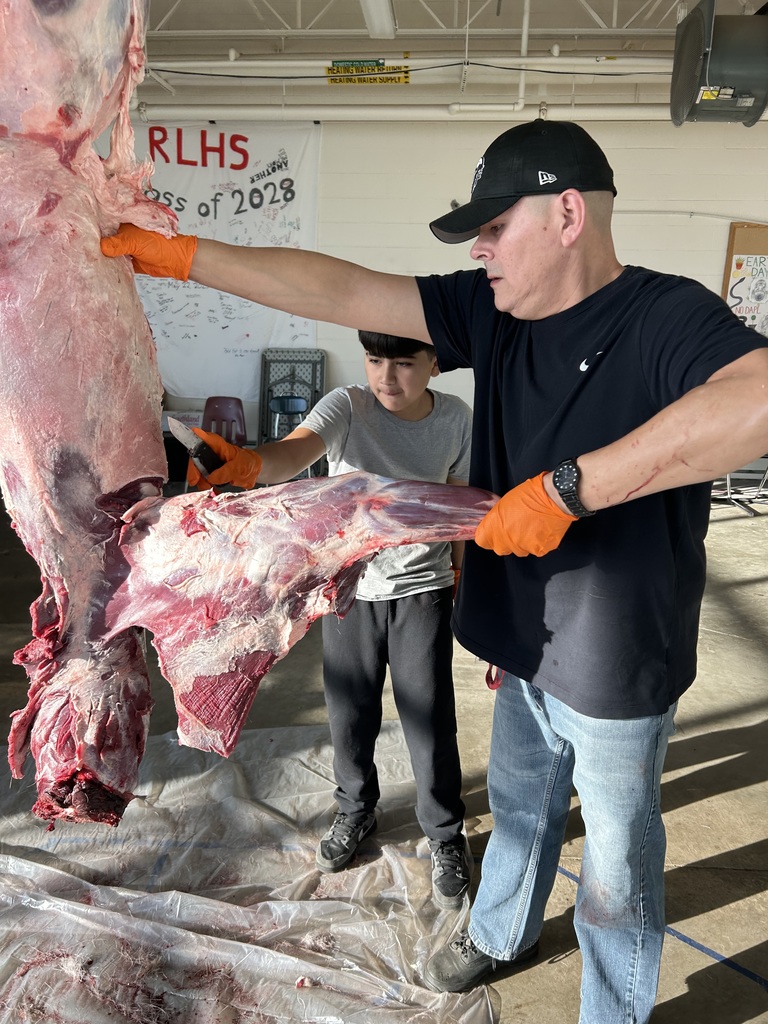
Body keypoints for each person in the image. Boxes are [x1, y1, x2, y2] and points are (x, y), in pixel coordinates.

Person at [101, 118, 768, 1024]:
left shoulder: (664, 314)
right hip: (516, 635)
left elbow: (760, 403)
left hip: (617, 656)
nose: (481, 248)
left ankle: (615, 1010)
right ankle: (499, 932)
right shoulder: (489, 312)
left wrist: (573, 489)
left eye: (496, 227)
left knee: (616, 853)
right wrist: (184, 257)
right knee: (521, 805)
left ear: (568, 213)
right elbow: (341, 287)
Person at [188, 329, 474, 909]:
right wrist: (249, 465)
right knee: (350, 712)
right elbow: (294, 451)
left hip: (424, 588)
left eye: (403, 364)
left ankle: (445, 835)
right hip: (350, 591)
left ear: (435, 364)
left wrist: (465, 579)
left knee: (429, 716)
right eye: (374, 361)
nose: (386, 378)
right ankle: (354, 811)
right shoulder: (348, 405)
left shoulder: (456, 419)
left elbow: (458, 499)